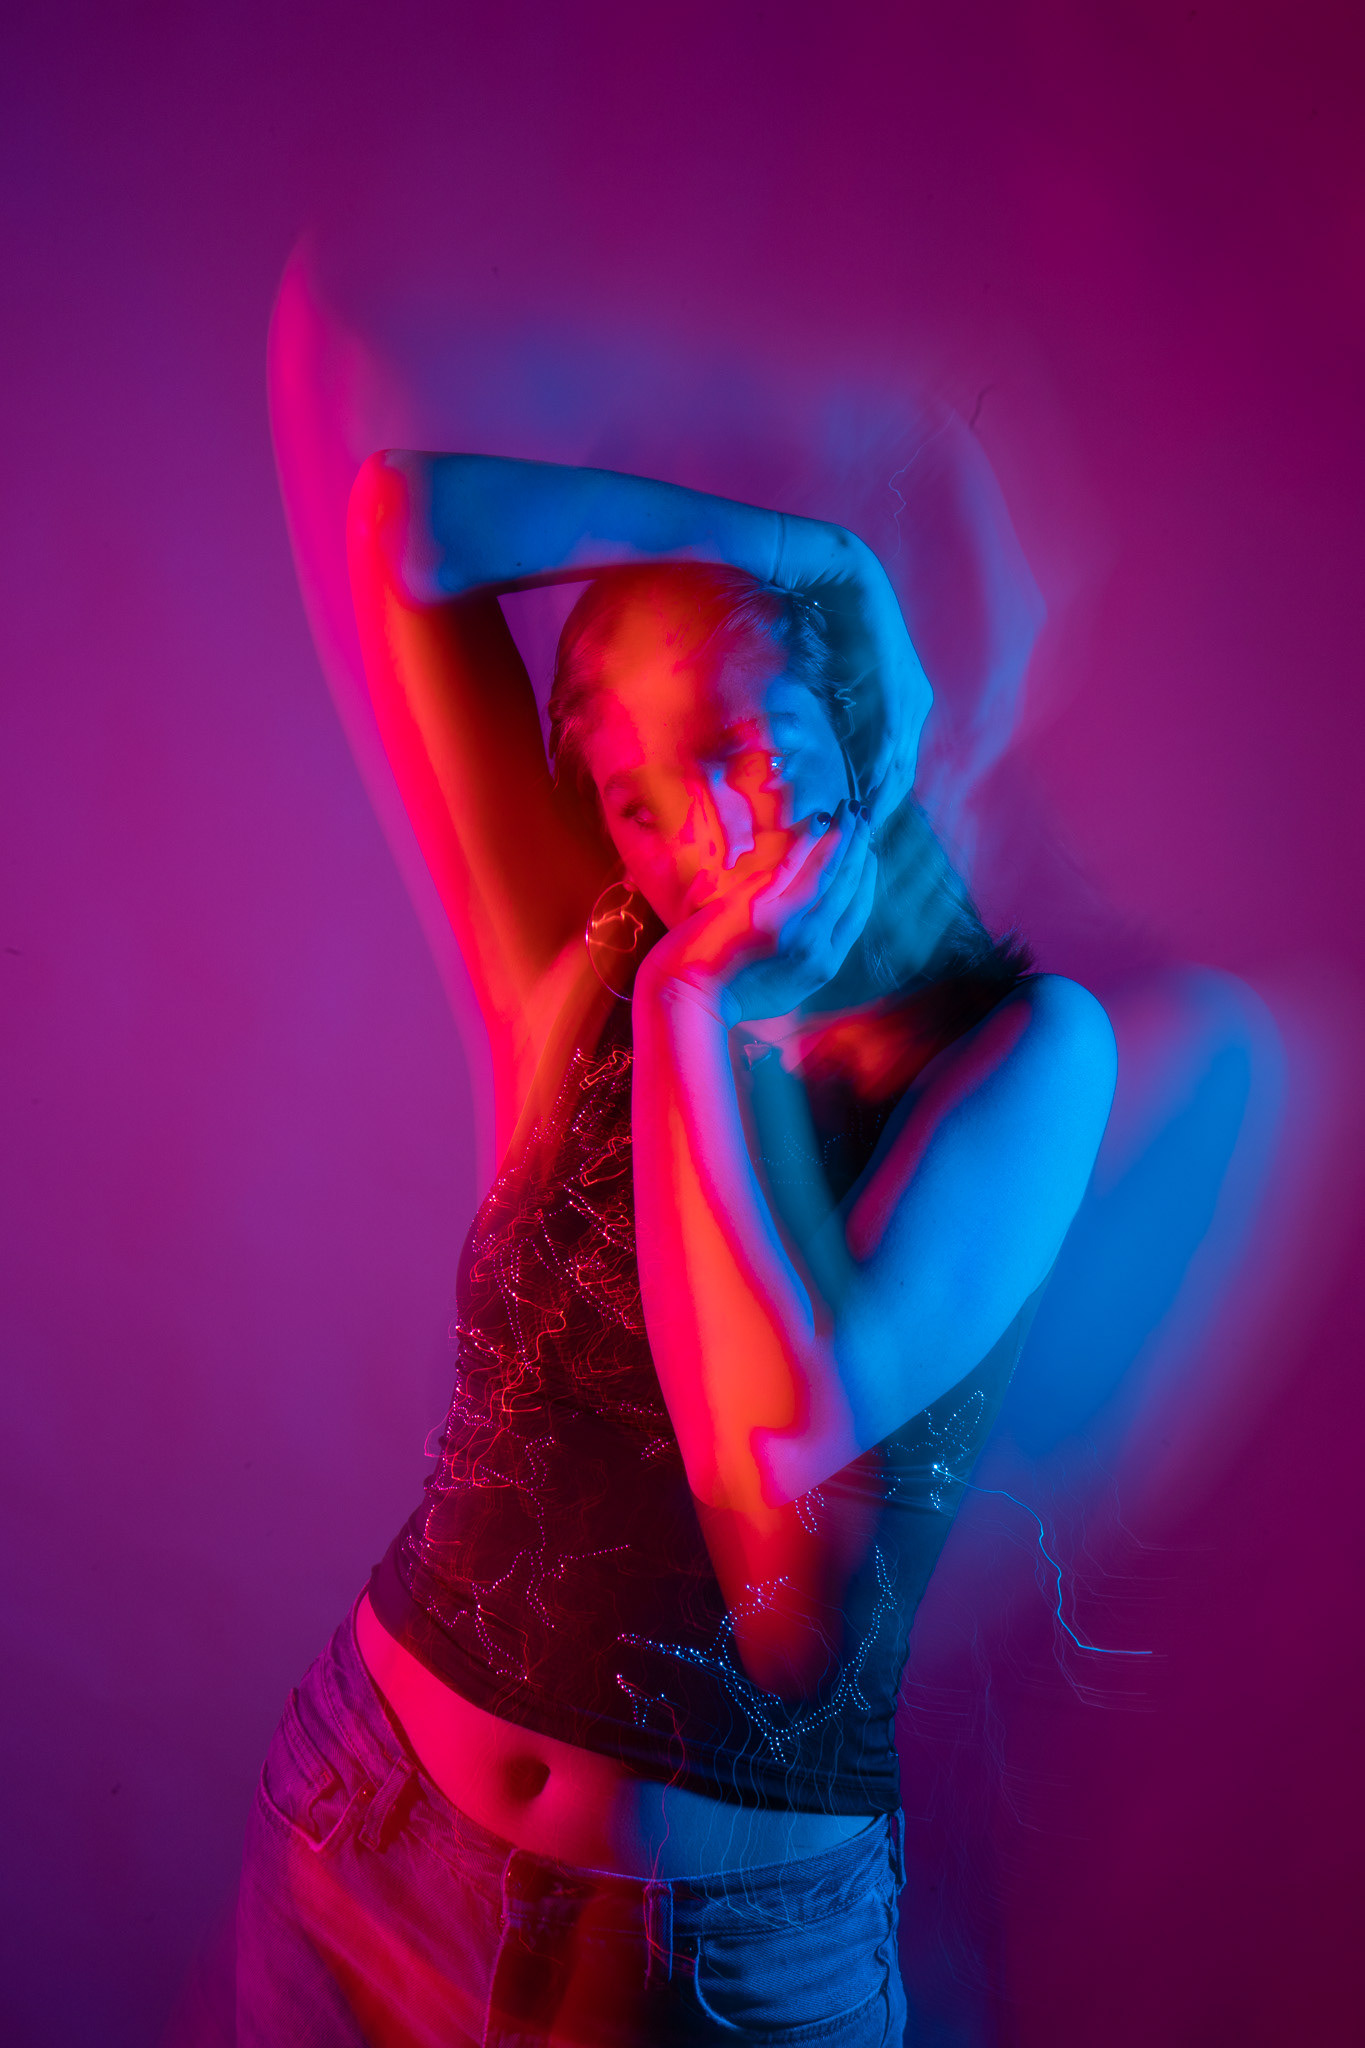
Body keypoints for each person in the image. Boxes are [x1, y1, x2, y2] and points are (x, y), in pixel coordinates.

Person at [234, 451, 1117, 2045]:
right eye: (631, 801)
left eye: (737, 751)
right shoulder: (581, 961)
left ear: (859, 731)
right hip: (363, 1839)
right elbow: (403, 524)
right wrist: (817, 552)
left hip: (706, 1969)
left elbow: (767, 1457)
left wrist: (698, 1016)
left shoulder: (1021, 1054)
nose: (694, 837)